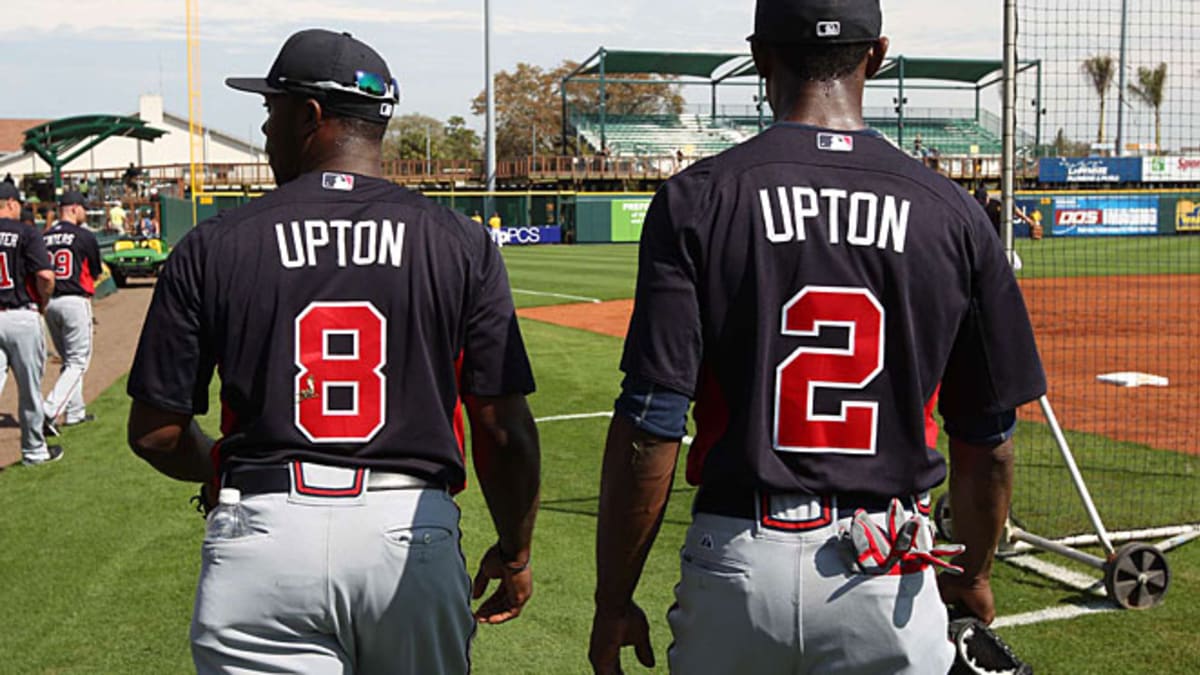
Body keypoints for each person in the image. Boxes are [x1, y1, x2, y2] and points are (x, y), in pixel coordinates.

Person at [588, 1, 1047, 673]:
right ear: (877, 55)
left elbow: (652, 424)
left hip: (739, 560)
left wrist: (614, 598)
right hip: (886, 566)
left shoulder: (699, 198)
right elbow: (989, 442)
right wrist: (973, 570)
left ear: (760, 57)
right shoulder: (954, 213)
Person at [125, 29, 541, 674]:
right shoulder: (461, 242)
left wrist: (219, 470)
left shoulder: (215, 243)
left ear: (310, 115)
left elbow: (156, 434)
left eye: (271, 113)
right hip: (409, 530)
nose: (265, 133)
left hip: (263, 532)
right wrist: (515, 550)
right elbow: (502, 427)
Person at [0, 183, 60, 466]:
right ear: (10, 203)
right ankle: (35, 451)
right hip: (21, 314)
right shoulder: (26, 232)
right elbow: (46, 276)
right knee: (29, 390)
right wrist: (44, 303)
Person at [41, 190, 102, 436]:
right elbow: (96, 271)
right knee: (78, 362)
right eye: (84, 208)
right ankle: (49, 411)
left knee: (69, 361)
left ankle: (75, 412)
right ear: (74, 209)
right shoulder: (83, 236)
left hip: (51, 303)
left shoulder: (44, 236)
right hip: (74, 301)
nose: (85, 213)